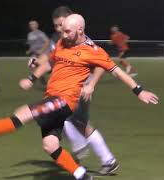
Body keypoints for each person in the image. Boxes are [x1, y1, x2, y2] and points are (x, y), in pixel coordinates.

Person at [0, 14, 158, 180]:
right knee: (50, 145)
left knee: (24, 113)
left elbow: (117, 71)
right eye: (62, 30)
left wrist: (139, 91)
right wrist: (33, 75)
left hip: (64, 101)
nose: (63, 35)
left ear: (80, 30)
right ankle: (83, 175)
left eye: (67, 31)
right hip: (52, 97)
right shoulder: (62, 43)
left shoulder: (93, 51)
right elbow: (50, 61)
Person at [35, 6, 120, 175]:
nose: (59, 29)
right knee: (73, 121)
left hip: (79, 88)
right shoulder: (62, 38)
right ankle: (91, 154)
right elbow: (51, 58)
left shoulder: (83, 41)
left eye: (61, 25)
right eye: (56, 26)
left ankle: (98, 156)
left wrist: (91, 85)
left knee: (77, 121)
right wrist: (36, 62)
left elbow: (102, 65)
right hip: (65, 88)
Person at [26, 20, 50, 85]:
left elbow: (47, 42)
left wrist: (41, 50)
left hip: (42, 54)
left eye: (33, 24)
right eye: (30, 24)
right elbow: (31, 45)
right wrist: (29, 50)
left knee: (44, 68)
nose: (31, 26)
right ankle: (42, 80)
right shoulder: (29, 35)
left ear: (37, 25)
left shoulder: (40, 33)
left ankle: (47, 82)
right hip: (34, 54)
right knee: (31, 66)